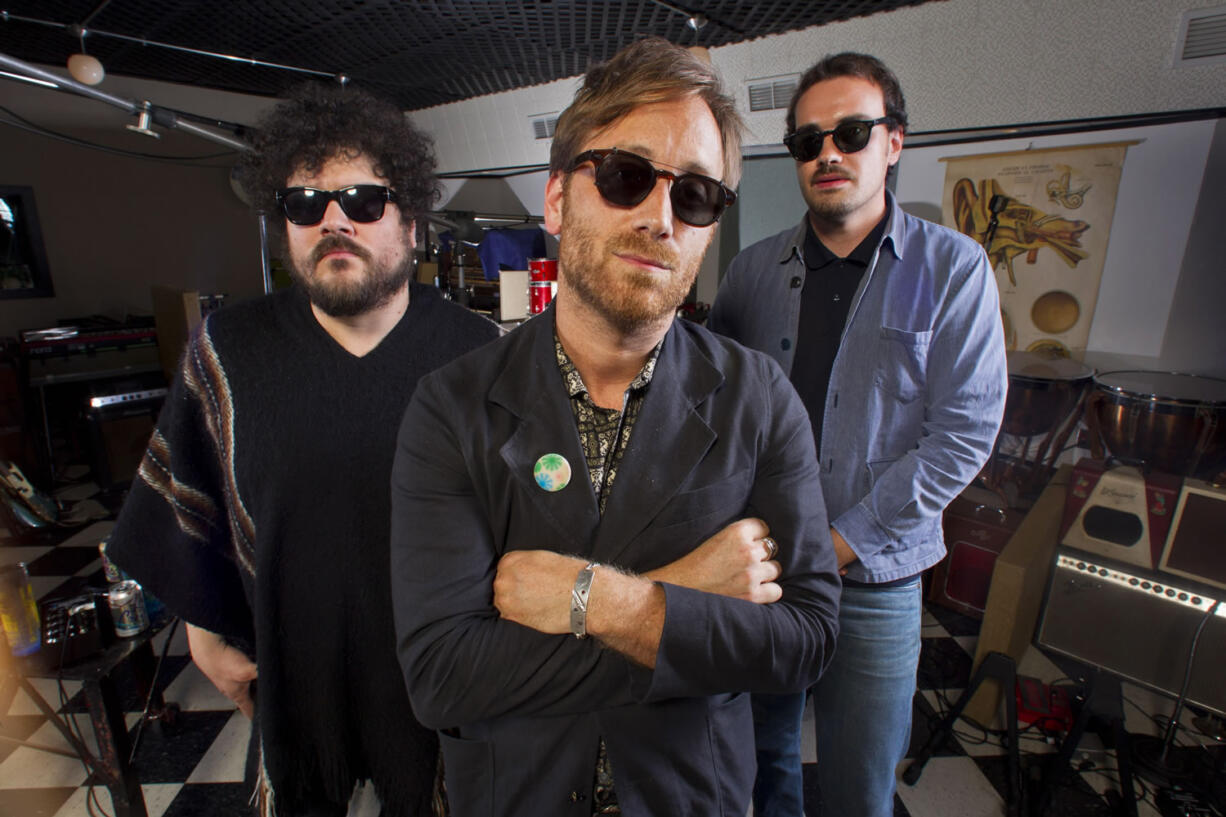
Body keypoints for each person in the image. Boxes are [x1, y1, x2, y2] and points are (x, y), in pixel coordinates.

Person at [389, 39, 841, 817]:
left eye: (696, 195)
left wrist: (598, 600)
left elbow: (805, 638)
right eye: (626, 177)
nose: (660, 219)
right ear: (558, 198)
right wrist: (693, 591)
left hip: (688, 795)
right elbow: (441, 675)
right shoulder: (451, 404)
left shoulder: (757, 396)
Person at [107, 83, 500, 817]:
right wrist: (202, 628)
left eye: (362, 200)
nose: (332, 221)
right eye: (304, 204)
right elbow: (190, 497)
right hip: (292, 671)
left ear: (411, 221)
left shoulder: (480, 356)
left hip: (436, 679)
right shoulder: (228, 353)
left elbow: (518, 525)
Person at [708, 52, 1008, 816]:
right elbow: (709, 406)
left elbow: (964, 432)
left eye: (850, 132)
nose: (828, 154)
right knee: (759, 761)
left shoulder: (953, 269)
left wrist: (843, 539)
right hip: (765, 571)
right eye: (809, 142)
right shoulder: (749, 274)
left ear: (894, 141)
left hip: (876, 577)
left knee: (860, 781)